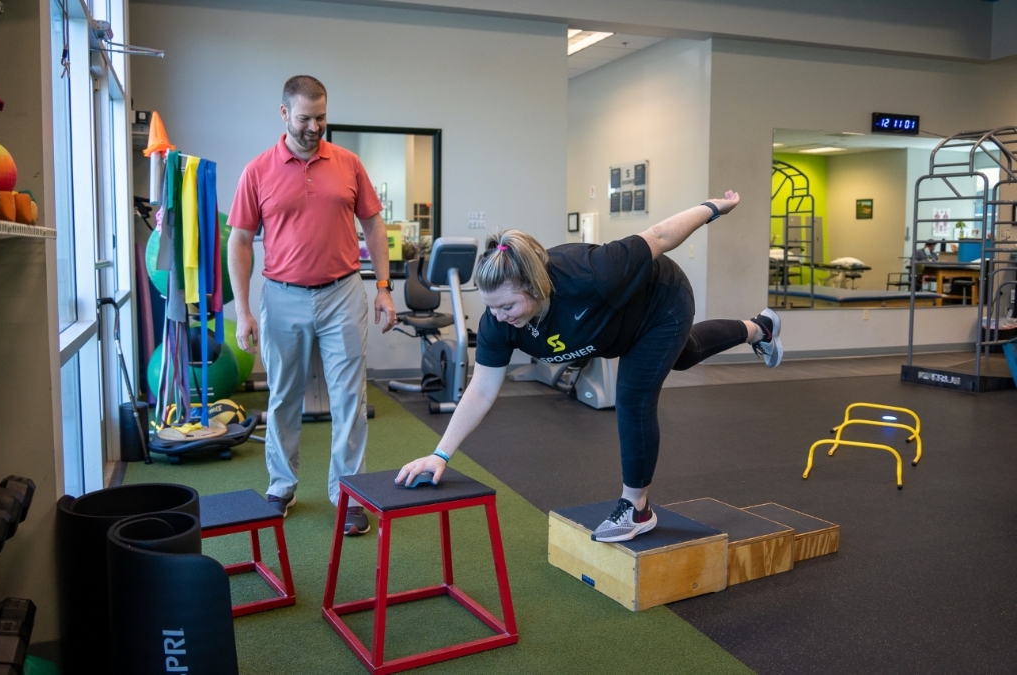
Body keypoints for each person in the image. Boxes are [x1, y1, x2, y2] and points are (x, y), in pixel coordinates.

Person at [396, 192, 783, 543]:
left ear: (535, 287)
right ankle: (760, 328)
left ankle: (636, 508)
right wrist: (440, 454)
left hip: (660, 302)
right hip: (617, 326)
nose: (498, 317)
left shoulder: (591, 272)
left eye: (507, 306)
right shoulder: (499, 324)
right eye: (490, 307)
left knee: (632, 397)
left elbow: (661, 236)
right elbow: (480, 389)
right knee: (686, 354)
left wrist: (714, 207)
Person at [228, 75, 397, 535]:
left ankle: (349, 494)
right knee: (283, 396)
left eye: (321, 117)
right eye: (305, 118)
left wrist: (383, 286)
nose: (314, 127)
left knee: (350, 398)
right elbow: (240, 240)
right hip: (282, 297)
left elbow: (375, 226)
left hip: (343, 292)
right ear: (284, 114)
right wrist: (243, 309)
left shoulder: (348, 164)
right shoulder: (258, 170)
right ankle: (282, 486)